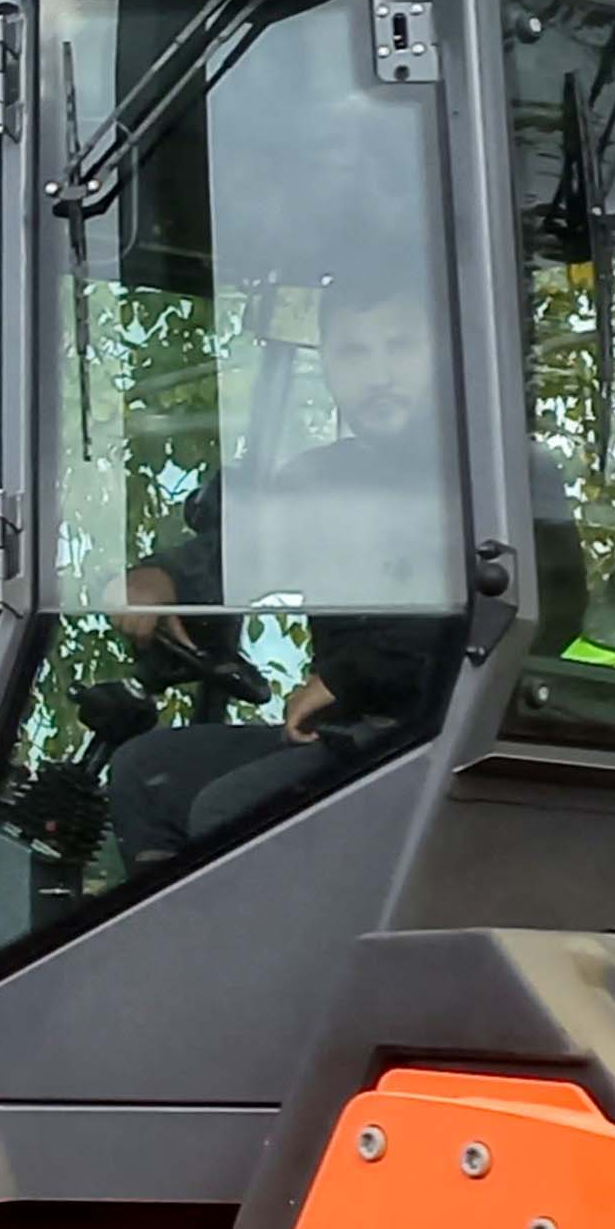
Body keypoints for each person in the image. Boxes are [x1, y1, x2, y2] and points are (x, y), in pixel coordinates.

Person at [98, 273, 467, 867]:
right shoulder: (321, 481)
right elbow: (240, 557)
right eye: (353, 352)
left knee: (232, 814)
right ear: (327, 364)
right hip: (344, 736)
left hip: (442, 736)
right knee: (146, 770)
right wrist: (161, 578)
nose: (378, 374)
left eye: (400, 347)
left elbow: (509, 614)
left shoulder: (487, 481)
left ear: (439, 357)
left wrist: (348, 678)